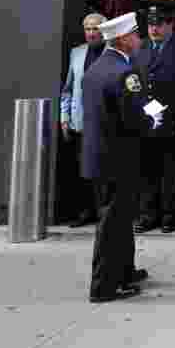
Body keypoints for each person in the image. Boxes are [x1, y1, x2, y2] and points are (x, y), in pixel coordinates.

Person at [81, 12, 155, 303]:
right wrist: (151, 121)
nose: (139, 39)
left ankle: (124, 272)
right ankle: (103, 286)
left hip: (100, 157)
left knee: (120, 219)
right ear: (123, 39)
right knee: (112, 223)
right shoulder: (125, 72)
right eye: (135, 35)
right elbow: (131, 119)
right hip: (118, 159)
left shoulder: (97, 68)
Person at [133, 5, 175, 234]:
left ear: (170, 24)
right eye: (151, 24)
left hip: (173, 118)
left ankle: (170, 215)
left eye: (159, 24)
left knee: (172, 171)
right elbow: (135, 82)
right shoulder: (141, 47)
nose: (154, 29)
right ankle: (147, 214)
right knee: (146, 170)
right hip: (146, 119)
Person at [60, 12, 108, 227]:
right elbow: (68, 89)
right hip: (80, 121)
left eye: (95, 28)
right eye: (87, 29)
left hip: (105, 122)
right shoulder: (77, 53)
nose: (91, 33)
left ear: (104, 30)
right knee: (82, 169)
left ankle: (104, 213)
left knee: (104, 170)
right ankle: (85, 211)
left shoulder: (114, 52)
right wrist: (64, 117)